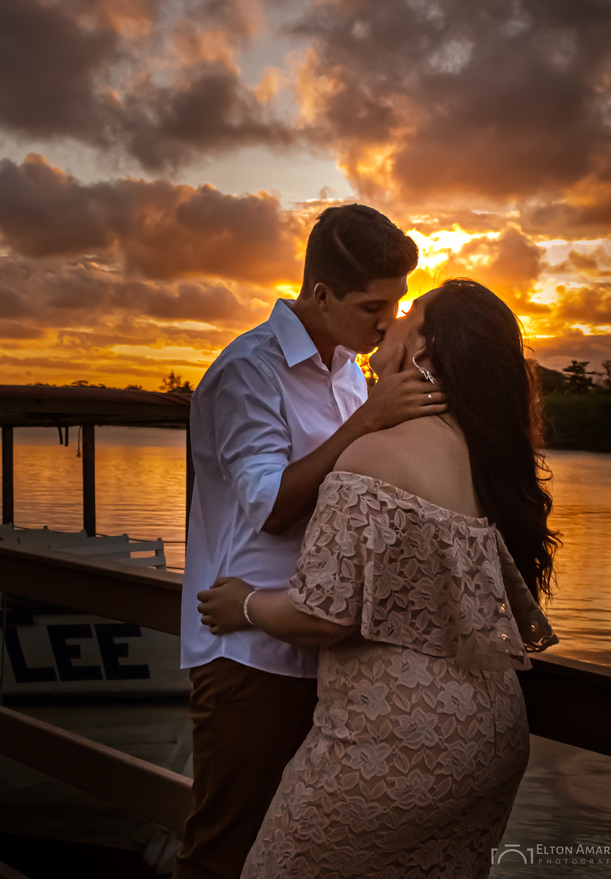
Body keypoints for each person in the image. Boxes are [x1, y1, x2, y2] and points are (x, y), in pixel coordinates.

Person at [198, 279, 559, 878]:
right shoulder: (486, 454)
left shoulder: (373, 457)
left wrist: (246, 605)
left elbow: (322, 614)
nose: (388, 323)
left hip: (396, 741)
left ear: (424, 349)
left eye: (408, 315)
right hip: (493, 734)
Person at [176, 204, 443, 879]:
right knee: (226, 847)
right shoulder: (248, 372)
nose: (386, 320)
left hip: (323, 639)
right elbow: (269, 508)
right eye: (371, 305)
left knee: (296, 853)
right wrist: (369, 422)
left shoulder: (348, 368)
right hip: (248, 650)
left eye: (397, 303)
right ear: (321, 293)